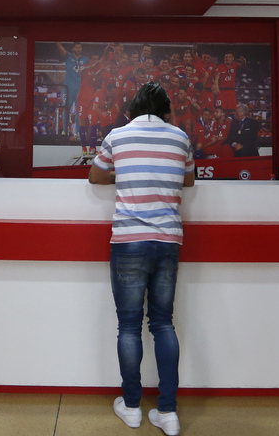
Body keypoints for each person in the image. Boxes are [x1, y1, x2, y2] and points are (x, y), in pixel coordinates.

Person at [89, 82, 194, 436]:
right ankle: (168, 413)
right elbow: (189, 180)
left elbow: (95, 176)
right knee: (164, 324)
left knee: (129, 327)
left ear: (132, 110)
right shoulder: (180, 137)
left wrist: (125, 174)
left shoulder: (116, 136)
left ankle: (132, 407)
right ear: (165, 110)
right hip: (168, 241)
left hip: (129, 241)